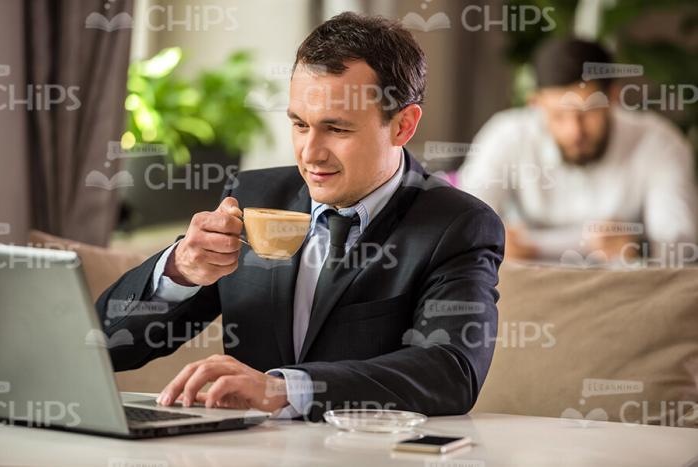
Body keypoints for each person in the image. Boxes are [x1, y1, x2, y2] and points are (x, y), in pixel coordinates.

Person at [96, 12, 504, 422]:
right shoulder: (251, 197)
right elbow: (106, 346)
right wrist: (179, 270)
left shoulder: (459, 225)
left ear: (402, 125)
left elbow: (451, 371)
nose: (310, 153)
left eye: (337, 129)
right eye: (299, 124)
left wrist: (285, 388)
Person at [458, 38, 698, 263]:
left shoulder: (659, 142)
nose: (574, 131)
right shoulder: (505, 136)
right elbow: (464, 225)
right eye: (559, 115)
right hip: (527, 288)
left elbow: (680, 246)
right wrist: (491, 243)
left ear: (613, 97)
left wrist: (640, 247)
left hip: (625, 292)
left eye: (588, 112)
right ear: (536, 104)